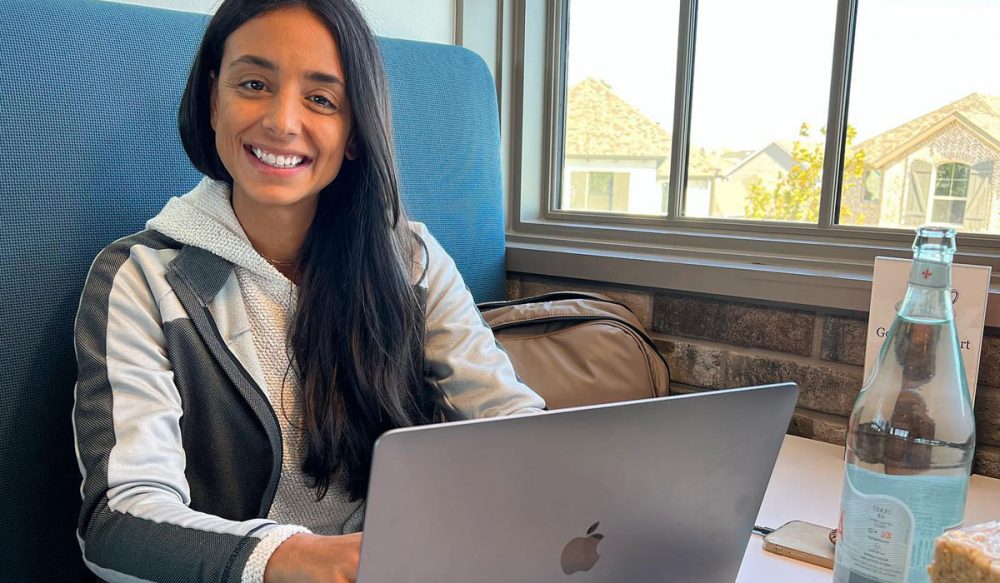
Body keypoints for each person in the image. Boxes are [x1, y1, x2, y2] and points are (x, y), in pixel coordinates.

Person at [71, 1, 545, 582]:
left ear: (353, 132)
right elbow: (118, 524)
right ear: (212, 99)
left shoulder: (411, 261)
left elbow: (512, 423)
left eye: (321, 99)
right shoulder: (142, 277)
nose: (281, 121)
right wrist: (293, 560)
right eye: (253, 84)